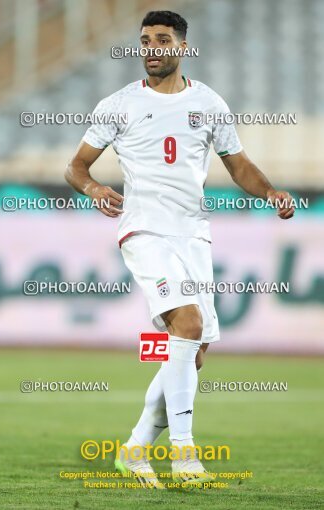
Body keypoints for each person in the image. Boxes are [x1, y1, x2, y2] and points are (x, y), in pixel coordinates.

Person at [65, 10, 294, 489]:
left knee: (194, 351)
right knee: (187, 325)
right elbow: (77, 167)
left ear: (182, 46)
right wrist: (93, 190)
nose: (151, 48)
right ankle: (185, 455)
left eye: (162, 39)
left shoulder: (208, 102)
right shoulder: (118, 105)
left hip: (193, 235)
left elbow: (239, 165)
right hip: (144, 230)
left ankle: (134, 449)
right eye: (145, 40)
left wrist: (271, 191)